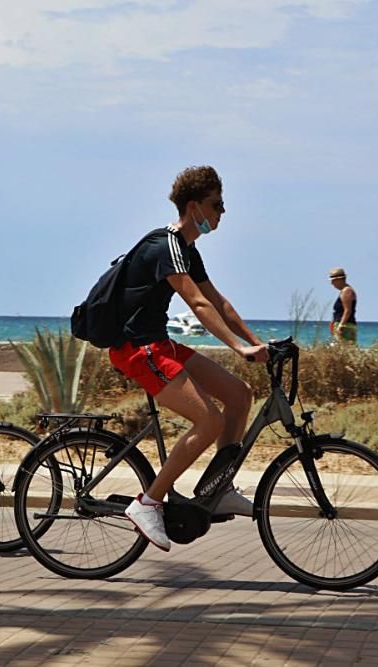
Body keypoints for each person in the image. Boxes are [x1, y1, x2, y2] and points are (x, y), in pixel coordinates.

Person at [108, 165, 269, 551]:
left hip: (160, 343)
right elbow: (196, 303)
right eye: (218, 204)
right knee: (209, 419)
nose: (223, 212)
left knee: (239, 394)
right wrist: (237, 347)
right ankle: (148, 502)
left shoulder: (188, 249)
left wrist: (257, 342)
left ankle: (220, 486)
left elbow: (219, 302)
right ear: (195, 206)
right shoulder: (167, 247)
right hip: (136, 348)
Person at [328, 267, 358, 343]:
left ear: (339, 280)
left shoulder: (346, 291)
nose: (332, 283)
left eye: (333, 281)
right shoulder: (344, 291)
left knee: (343, 349)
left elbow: (348, 310)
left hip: (345, 326)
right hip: (342, 324)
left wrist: (341, 326)